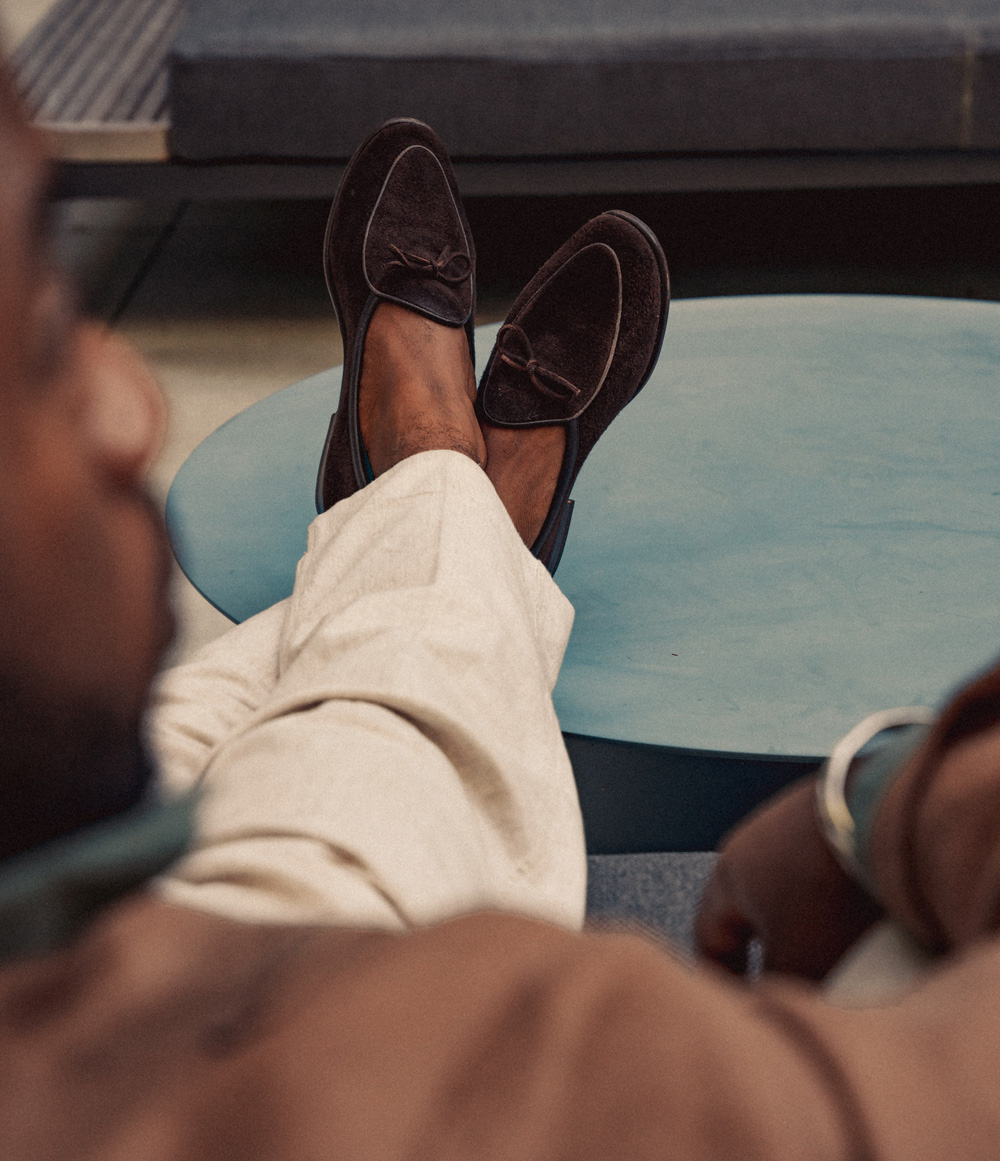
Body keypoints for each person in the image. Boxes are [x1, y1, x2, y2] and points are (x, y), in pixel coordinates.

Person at [1, 59, 1000, 1160]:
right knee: (379, 735)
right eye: (45, 342)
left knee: (219, 713)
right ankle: (449, 496)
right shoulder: (427, 1074)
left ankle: (424, 499)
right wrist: (893, 789)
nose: (136, 407)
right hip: (276, 957)